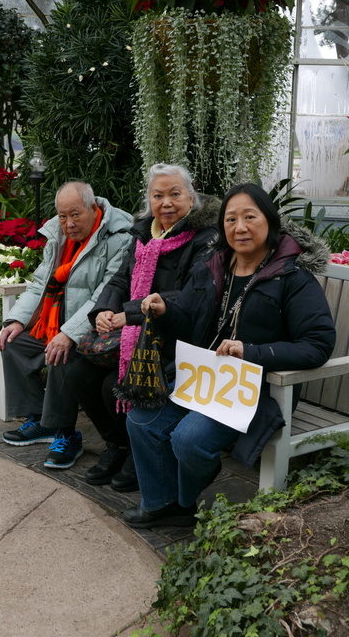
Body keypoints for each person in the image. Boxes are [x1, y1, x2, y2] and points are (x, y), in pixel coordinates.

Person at [123, 182, 336, 529]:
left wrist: (250, 352)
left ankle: (185, 498)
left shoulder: (291, 276)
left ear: (269, 221)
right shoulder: (213, 265)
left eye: (250, 217)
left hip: (255, 389)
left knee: (189, 440)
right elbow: (188, 320)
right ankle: (163, 504)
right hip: (202, 379)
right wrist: (166, 311)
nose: (240, 227)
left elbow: (318, 343)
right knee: (141, 420)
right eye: (231, 219)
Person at [66, 163, 220, 491]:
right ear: (149, 200)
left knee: (113, 385)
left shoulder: (206, 238)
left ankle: (140, 454)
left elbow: (193, 294)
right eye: (158, 195)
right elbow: (121, 278)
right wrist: (105, 311)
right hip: (134, 330)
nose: (166, 203)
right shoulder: (143, 232)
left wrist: (130, 313)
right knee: (78, 375)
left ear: (191, 198)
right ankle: (117, 446)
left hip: (173, 333)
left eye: (174, 194)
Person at [0, 181, 133, 469]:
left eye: (75, 214)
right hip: (53, 320)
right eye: (62, 216)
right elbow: (39, 284)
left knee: (61, 353)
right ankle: (40, 419)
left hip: (94, 324)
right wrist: (17, 320)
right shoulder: (57, 237)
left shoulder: (118, 238)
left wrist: (68, 334)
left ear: (92, 208)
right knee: (12, 341)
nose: (68, 224)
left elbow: (104, 294)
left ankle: (66, 433)